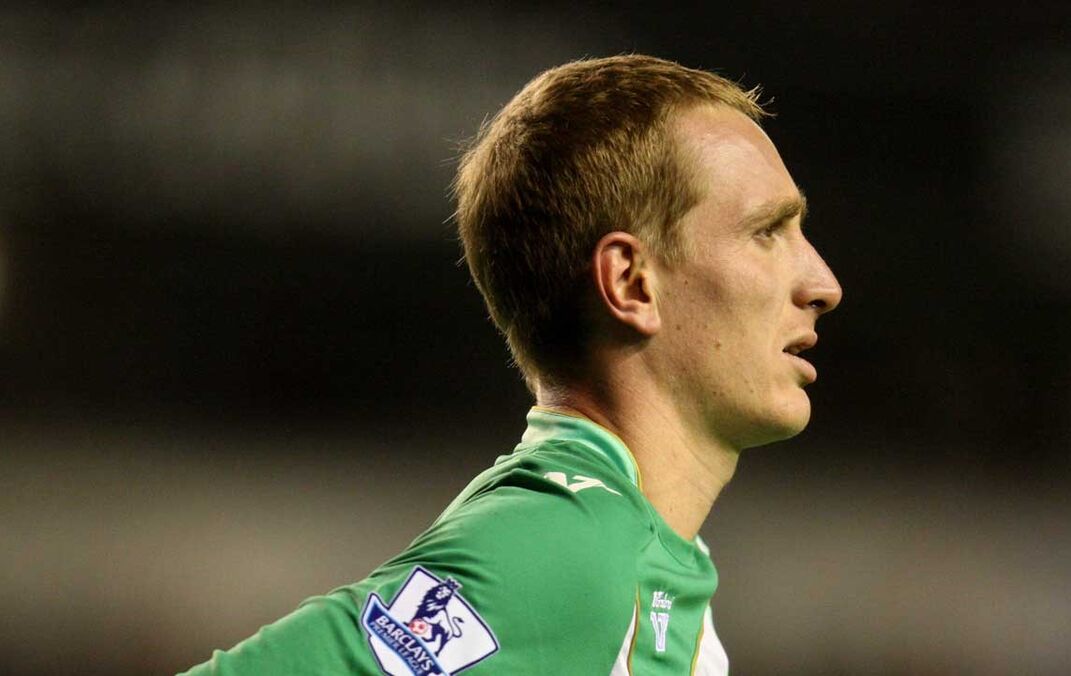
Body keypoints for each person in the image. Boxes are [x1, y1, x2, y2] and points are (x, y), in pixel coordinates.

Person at [182, 53, 841, 675]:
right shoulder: (564, 552)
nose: (823, 284)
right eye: (767, 232)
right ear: (631, 283)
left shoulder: (642, 556)